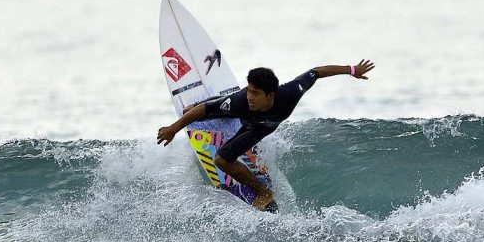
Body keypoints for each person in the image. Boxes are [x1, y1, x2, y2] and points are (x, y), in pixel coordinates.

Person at [157, 60, 375, 210]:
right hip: (244, 114)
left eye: (256, 93)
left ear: (270, 95)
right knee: (198, 111)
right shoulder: (242, 100)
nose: (250, 96)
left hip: (261, 126)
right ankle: (208, 104)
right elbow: (203, 111)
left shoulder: (290, 93)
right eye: (249, 90)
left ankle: (263, 192)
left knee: (221, 160)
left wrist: (351, 70)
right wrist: (173, 129)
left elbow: (316, 72)